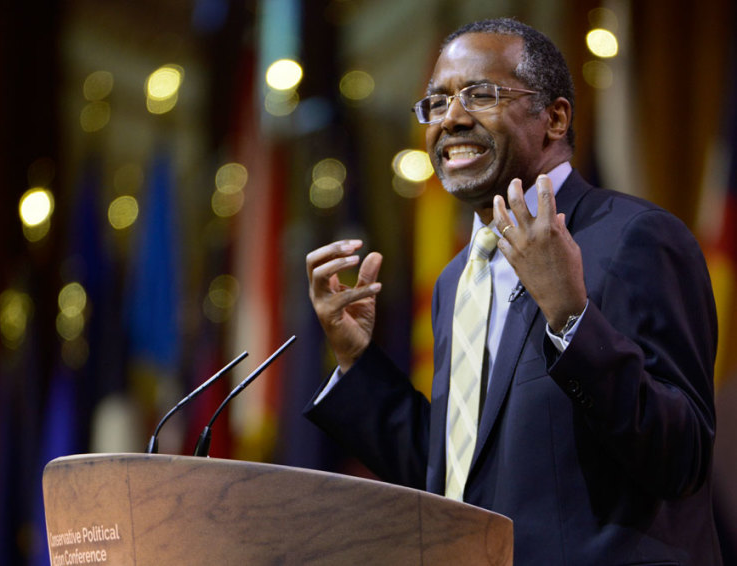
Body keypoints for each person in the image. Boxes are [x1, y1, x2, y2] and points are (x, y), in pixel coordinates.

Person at [304, 17, 721, 565]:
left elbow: (683, 457)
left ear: (553, 117)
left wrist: (572, 318)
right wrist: (357, 360)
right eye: (435, 103)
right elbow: (460, 480)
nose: (450, 118)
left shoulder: (636, 239)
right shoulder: (458, 279)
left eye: (479, 95)